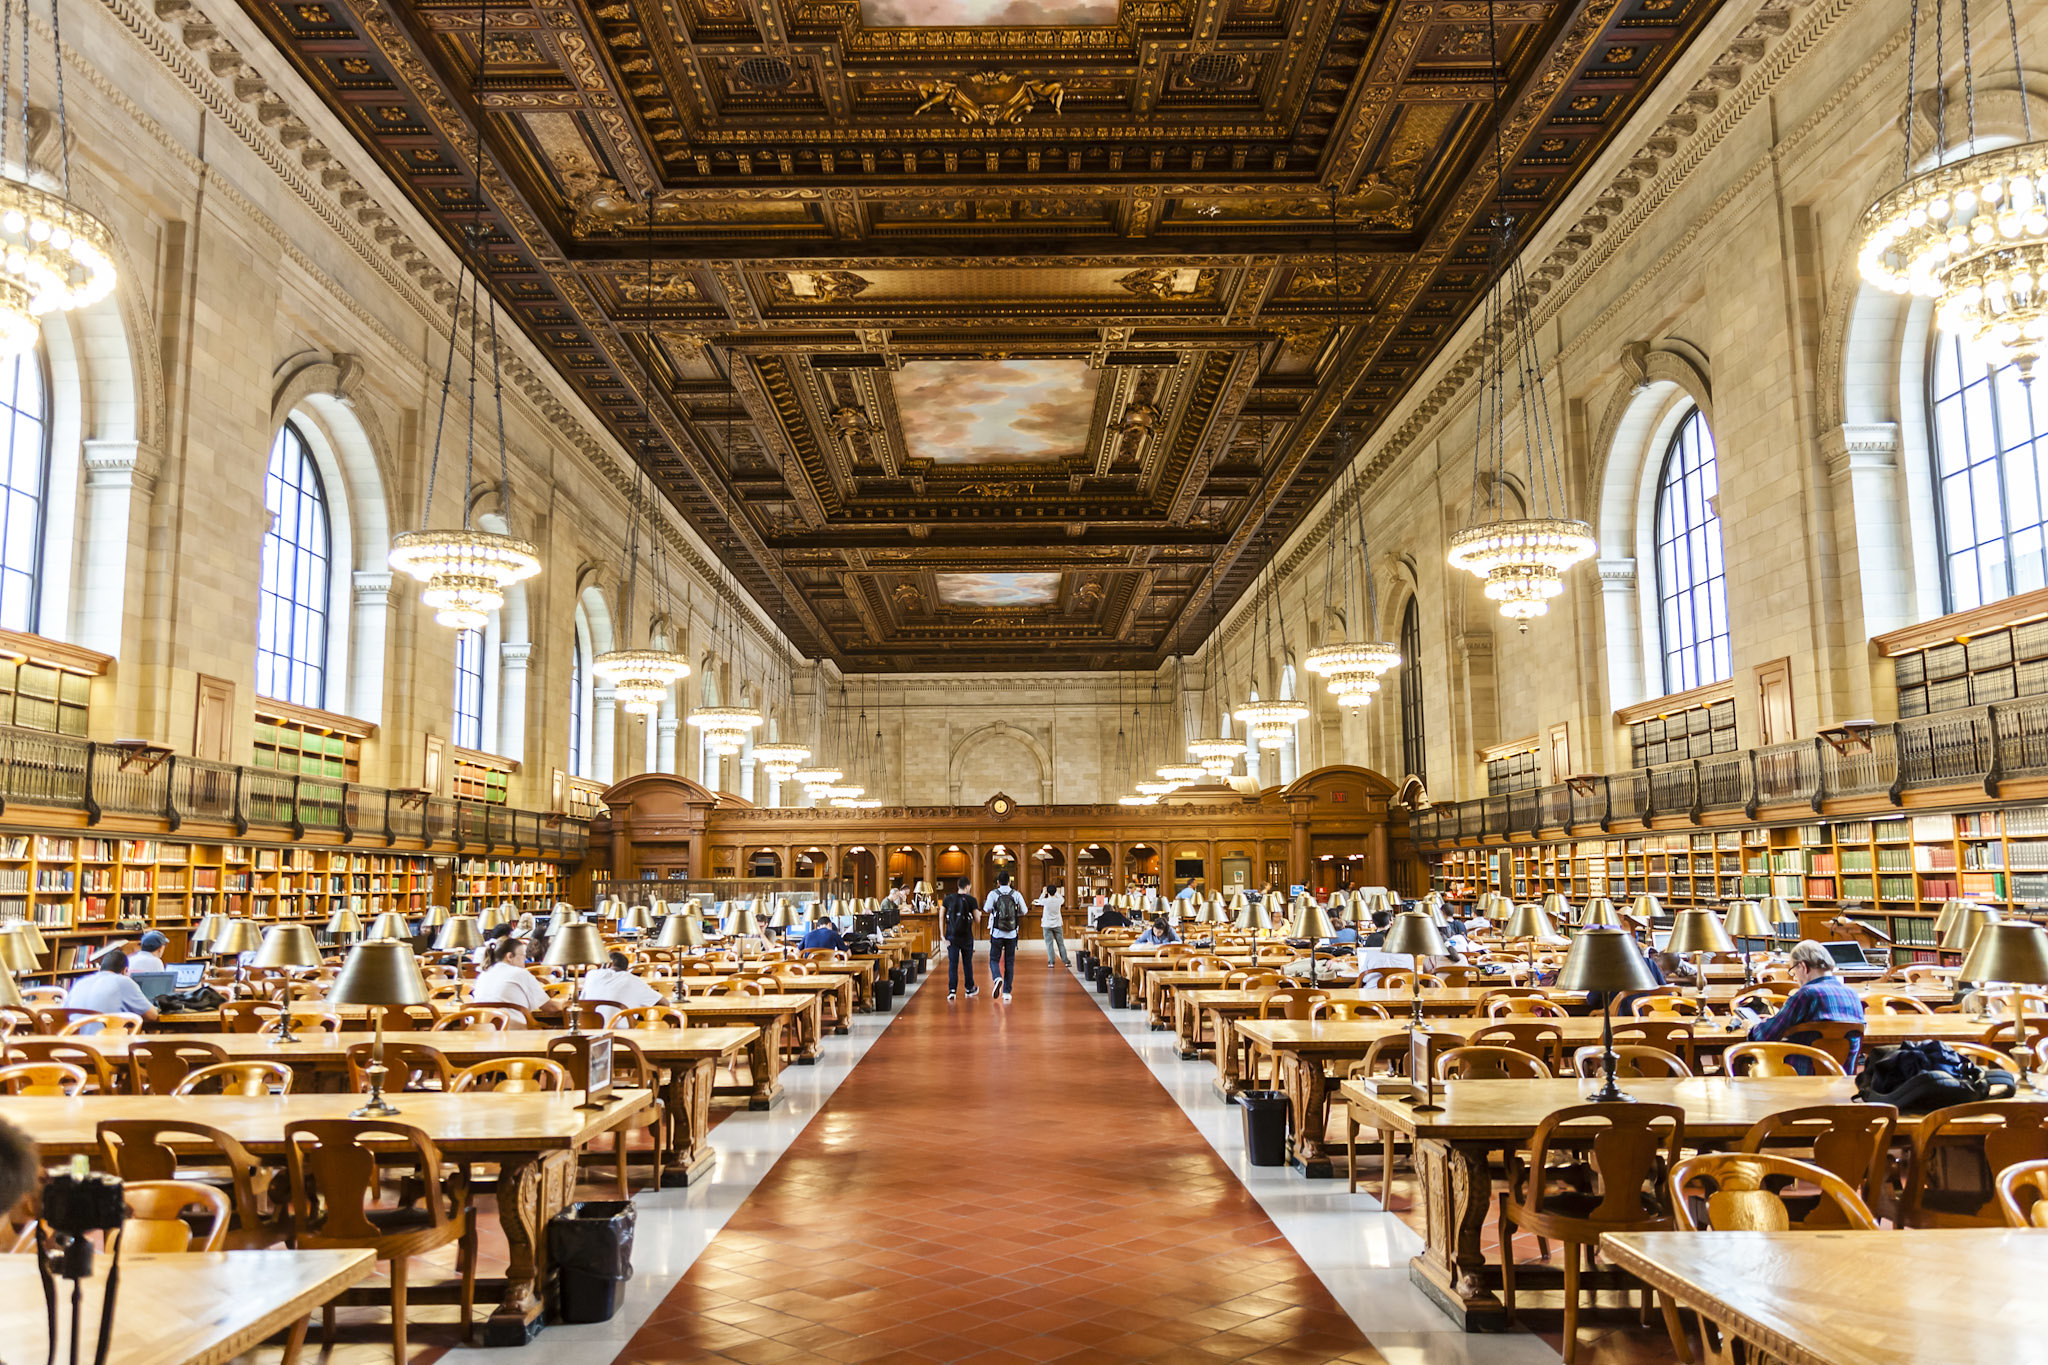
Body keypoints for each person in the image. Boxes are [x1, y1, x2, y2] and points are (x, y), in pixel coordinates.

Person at [1748, 939, 1867, 1068]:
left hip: (1802, 1076)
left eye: (1793, 971)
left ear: (1803, 966)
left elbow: (1766, 1035)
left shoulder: (1806, 994)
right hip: (1843, 1076)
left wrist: (1751, 1027)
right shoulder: (1852, 994)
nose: (1795, 977)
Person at [63, 948, 158, 1031]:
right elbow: (152, 1016)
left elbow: (64, 1013)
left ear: (100, 968)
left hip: (74, 1042)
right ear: (125, 970)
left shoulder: (80, 982)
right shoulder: (124, 981)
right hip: (105, 1043)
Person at [471, 935, 552, 1016]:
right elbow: (549, 1007)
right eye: (523, 955)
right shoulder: (520, 973)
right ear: (509, 956)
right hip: (512, 1027)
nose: (525, 959)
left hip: (481, 1027)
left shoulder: (483, 975)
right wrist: (563, 1003)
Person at [581, 950, 662, 1022]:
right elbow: (664, 1003)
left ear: (608, 964)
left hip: (589, 1028)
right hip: (622, 1033)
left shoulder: (591, 974)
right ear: (626, 969)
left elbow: (581, 1000)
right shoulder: (634, 980)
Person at [983, 872, 1026, 1002]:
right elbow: (1024, 911)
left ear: (998, 882)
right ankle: (1007, 992)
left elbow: (986, 909)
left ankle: (997, 977)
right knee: (1009, 962)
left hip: (997, 932)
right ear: (1009, 882)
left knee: (994, 959)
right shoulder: (1016, 894)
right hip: (1012, 933)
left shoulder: (993, 894)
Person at [942, 876, 979, 1002]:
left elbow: (941, 916)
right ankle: (969, 988)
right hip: (966, 937)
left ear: (958, 886)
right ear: (967, 886)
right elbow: (977, 920)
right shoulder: (971, 900)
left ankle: (952, 990)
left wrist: (943, 935)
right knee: (967, 963)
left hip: (951, 936)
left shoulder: (948, 899)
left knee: (953, 964)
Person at [1036, 882, 1068, 968]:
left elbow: (1039, 900)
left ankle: (1051, 962)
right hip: (1057, 924)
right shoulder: (1059, 901)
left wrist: (1043, 892)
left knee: (1049, 944)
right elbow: (1061, 898)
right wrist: (1056, 891)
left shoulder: (1045, 901)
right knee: (1060, 943)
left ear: (1048, 892)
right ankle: (1066, 961)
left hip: (1047, 925)